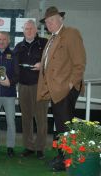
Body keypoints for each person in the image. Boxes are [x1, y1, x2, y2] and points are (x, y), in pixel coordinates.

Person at [38, 6, 86, 171]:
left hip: (65, 89)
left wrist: (71, 84)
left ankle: (66, 161)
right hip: (55, 89)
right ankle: (61, 157)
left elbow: (80, 63)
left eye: (52, 20)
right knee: (60, 125)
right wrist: (42, 66)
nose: (49, 24)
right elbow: (52, 62)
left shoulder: (71, 34)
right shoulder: (53, 38)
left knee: (64, 126)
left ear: (61, 19)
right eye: (47, 22)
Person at [13, 20, 48, 159]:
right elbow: (10, 59)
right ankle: (29, 147)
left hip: (40, 86)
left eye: (31, 29)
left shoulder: (44, 43)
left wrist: (43, 64)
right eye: (26, 29)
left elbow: (53, 59)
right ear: (23, 30)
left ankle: (40, 148)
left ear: (36, 30)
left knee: (41, 118)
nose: (29, 31)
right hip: (23, 86)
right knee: (26, 118)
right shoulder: (18, 46)